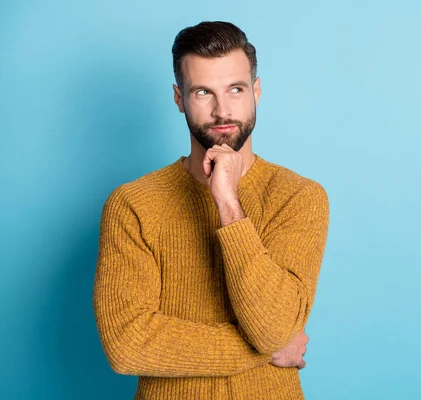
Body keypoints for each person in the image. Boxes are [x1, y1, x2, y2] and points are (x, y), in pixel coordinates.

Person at [92, 20, 330, 399]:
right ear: (178, 98)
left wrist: (227, 202)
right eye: (204, 92)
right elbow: (126, 345)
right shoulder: (133, 204)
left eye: (235, 89)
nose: (223, 111)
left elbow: (275, 326)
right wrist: (262, 352)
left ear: (256, 90)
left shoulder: (297, 196)